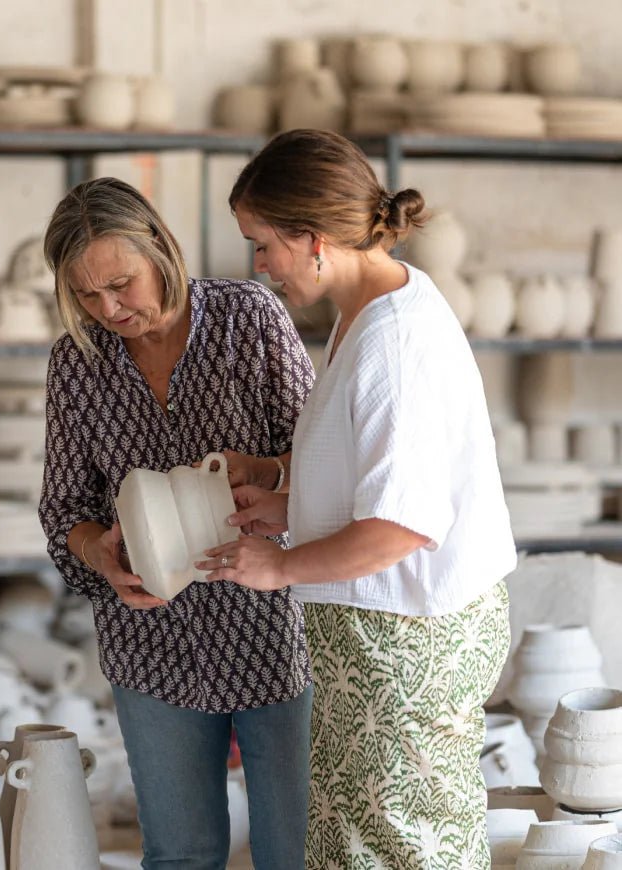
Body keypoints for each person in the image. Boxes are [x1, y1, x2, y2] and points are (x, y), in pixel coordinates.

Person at [200, 129, 515, 868]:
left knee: (400, 846)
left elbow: (401, 526)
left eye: (263, 245)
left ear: (313, 239)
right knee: (362, 842)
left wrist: (278, 567)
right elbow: (375, 466)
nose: (259, 267)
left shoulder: (393, 343)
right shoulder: (368, 307)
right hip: (383, 633)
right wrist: (283, 489)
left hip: (409, 639)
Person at [39, 176, 316, 869]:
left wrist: (264, 471)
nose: (109, 308)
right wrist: (100, 555)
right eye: (86, 295)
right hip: (149, 638)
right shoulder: (78, 363)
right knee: (179, 855)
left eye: (122, 283)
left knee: (294, 853)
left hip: (274, 627)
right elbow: (64, 507)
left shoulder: (247, 318)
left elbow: (323, 460)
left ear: (160, 248)